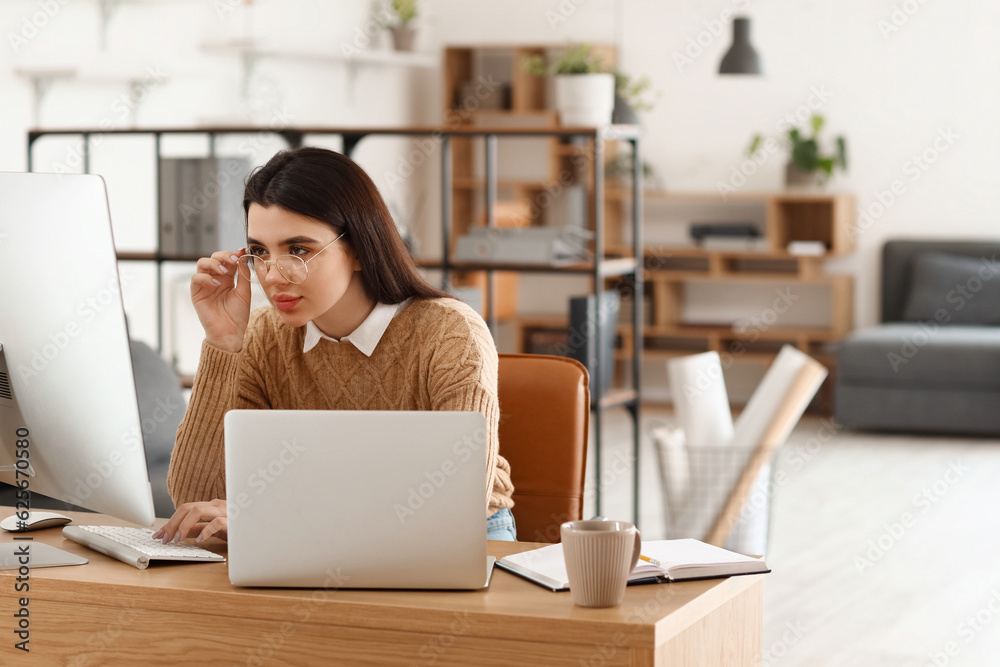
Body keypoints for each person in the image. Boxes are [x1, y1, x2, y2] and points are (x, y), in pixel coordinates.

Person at [158, 147, 515, 544]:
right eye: (259, 252)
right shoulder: (263, 335)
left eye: (299, 250)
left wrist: (268, 514)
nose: (273, 276)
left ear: (359, 248)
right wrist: (223, 343)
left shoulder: (451, 334)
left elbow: (455, 501)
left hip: (457, 536)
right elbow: (194, 500)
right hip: (309, 533)